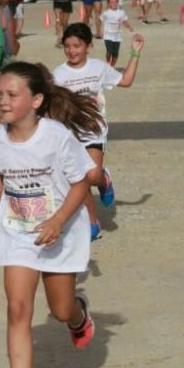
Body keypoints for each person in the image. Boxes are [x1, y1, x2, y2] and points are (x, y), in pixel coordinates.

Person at [0, 61, 103, 368]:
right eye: (1, 94)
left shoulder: (56, 136)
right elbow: (0, 172)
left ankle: (78, 315)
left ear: (37, 100)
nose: (4, 101)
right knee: (17, 308)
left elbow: (81, 183)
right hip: (18, 232)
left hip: (59, 231)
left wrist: (58, 221)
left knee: (60, 310)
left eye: (13, 94)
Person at [53, 23, 144, 241]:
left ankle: (103, 179)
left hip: (94, 131)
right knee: (80, 179)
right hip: (70, 134)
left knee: (92, 176)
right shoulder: (58, 74)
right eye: (67, 46)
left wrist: (135, 54)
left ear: (89, 47)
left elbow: (126, 81)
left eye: (77, 46)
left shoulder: (98, 68)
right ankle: (92, 223)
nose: (72, 51)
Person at [98, 0, 132, 67]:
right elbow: (102, 22)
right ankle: (107, 63)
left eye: (115, 1)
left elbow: (124, 21)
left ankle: (112, 65)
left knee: (115, 53)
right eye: (111, 2)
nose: (114, 3)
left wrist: (129, 27)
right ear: (109, 3)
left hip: (117, 36)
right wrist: (101, 31)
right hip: (108, 35)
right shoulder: (105, 13)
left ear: (118, 2)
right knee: (109, 51)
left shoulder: (121, 12)